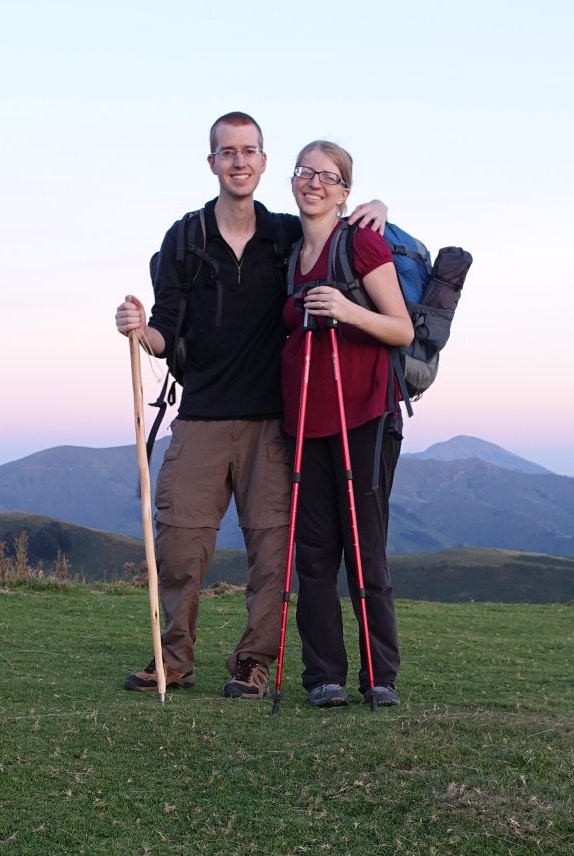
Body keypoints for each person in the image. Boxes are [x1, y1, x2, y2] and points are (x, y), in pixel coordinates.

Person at [114, 113, 386, 699]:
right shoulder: (183, 238)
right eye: (227, 151)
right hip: (202, 416)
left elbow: (345, 235)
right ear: (211, 162)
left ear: (264, 163)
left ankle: (253, 663)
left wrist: (378, 207)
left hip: (273, 422)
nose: (239, 161)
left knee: (271, 552)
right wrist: (139, 332)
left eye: (250, 151)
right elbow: (165, 333)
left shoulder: (287, 235)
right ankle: (173, 660)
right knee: (181, 544)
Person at [280, 140, 413, 708]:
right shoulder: (289, 249)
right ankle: (324, 677)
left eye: (328, 176)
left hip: (363, 412)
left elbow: (401, 329)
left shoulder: (361, 240)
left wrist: (345, 309)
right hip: (308, 419)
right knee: (312, 552)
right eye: (305, 172)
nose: (314, 182)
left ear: (345, 191)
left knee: (364, 547)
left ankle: (380, 676)